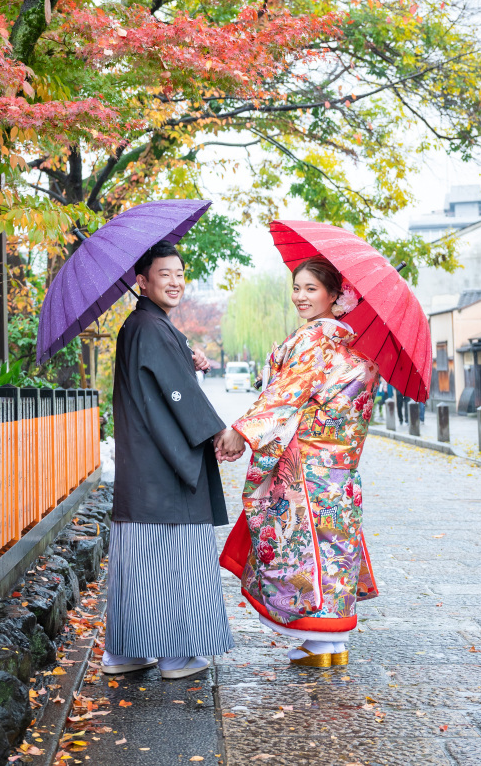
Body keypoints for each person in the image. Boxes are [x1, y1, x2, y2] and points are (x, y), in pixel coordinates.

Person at [216, 256, 380, 668]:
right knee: (333, 550)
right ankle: (330, 646)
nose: (301, 297)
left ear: (333, 294)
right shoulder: (354, 346)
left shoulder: (314, 339)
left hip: (306, 466)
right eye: (297, 287)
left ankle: (314, 641)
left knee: (303, 551)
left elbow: (286, 395)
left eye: (311, 288)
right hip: (340, 470)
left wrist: (244, 430)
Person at [102, 239, 236, 681]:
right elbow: (177, 396)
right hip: (163, 469)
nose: (176, 282)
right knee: (172, 558)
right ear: (142, 281)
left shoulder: (144, 326)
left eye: (180, 274)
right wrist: (219, 430)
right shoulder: (151, 328)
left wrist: (185, 356)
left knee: (137, 562)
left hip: (144, 467)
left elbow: (166, 383)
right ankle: (176, 655)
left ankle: (125, 652)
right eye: (165, 274)